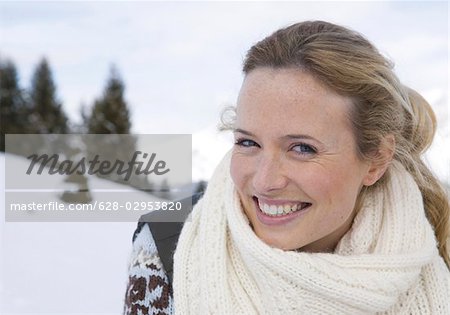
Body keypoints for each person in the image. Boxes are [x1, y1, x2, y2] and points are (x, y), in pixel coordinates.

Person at [123, 20, 450, 315]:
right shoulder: (168, 244)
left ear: (376, 159)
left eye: (302, 148)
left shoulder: (439, 257)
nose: (265, 182)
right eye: (248, 143)